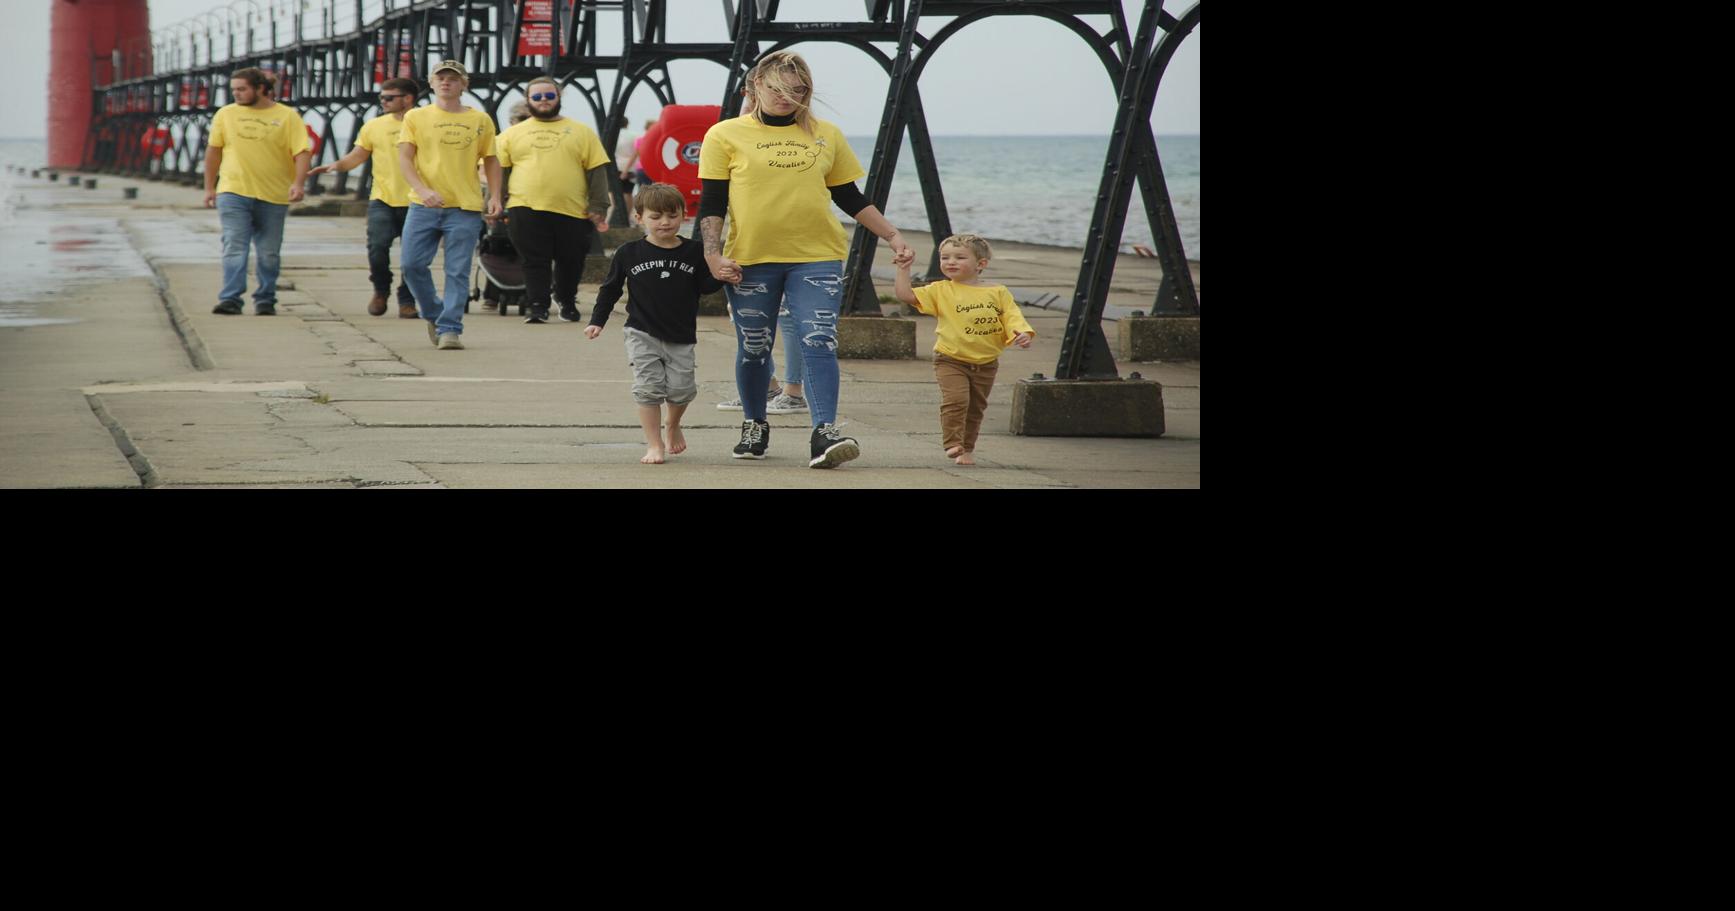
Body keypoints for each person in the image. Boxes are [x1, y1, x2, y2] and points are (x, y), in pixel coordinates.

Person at [697, 50, 915, 466]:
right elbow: (712, 201)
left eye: (797, 91)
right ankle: (755, 424)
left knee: (818, 338)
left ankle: (824, 432)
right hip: (751, 259)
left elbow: (848, 195)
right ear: (754, 87)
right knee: (755, 346)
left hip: (817, 256)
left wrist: (891, 234)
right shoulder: (724, 135)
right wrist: (712, 254)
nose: (787, 98)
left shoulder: (826, 134)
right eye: (777, 89)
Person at [584, 183, 724, 464]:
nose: (665, 222)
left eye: (672, 216)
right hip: (641, 331)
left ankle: (672, 425)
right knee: (648, 389)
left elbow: (705, 287)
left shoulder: (694, 251)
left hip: (681, 334)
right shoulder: (628, 253)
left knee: (682, 389)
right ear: (639, 218)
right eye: (656, 216)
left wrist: (723, 274)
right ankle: (654, 443)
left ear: (683, 216)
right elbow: (610, 289)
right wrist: (597, 321)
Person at [893, 233, 1035, 466]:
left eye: (959, 257)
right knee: (956, 400)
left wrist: (1022, 334)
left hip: (986, 363)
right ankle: (952, 442)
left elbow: (1012, 317)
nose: (950, 262)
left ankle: (966, 449)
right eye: (945, 257)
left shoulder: (998, 291)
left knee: (975, 409)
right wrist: (903, 269)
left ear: (981, 264)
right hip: (950, 359)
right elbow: (905, 295)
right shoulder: (941, 290)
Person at [397, 59, 503, 350]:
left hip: (465, 206)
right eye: (440, 78)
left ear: (463, 85)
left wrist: (495, 196)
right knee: (411, 264)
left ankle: (450, 329)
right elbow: (405, 158)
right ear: (431, 83)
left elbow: (491, 160)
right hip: (423, 205)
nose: (446, 82)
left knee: (457, 270)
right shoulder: (416, 117)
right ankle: (434, 314)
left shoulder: (480, 120)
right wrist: (421, 188)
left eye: (453, 79)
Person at [493, 75, 610, 324]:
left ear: (559, 97)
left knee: (572, 260)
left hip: (572, 209)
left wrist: (599, 205)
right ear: (528, 101)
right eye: (537, 96)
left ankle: (566, 300)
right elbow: (499, 172)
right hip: (523, 206)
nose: (543, 100)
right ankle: (538, 306)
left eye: (549, 95)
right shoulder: (511, 135)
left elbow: (597, 170)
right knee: (534, 260)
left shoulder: (582, 132)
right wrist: (493, 202)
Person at [307, 77, 419, 318]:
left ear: (408, 98)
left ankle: (407, 299)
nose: (383, 102)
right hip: (383, 199)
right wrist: (334, 166)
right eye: (382, 98)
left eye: (389, 98)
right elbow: (357, 156)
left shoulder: (425, 123)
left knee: (414, 256)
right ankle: (381, 290)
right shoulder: (374, 126)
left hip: (418, 201)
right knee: (377, 248)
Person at [204, 67, 310, 316]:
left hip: (273, 194)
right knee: (234, 245)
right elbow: (214, 151)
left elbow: (302, 152)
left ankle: (265, 297)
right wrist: (209, 187)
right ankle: (230, 298)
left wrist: (298, 183)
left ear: (260, 88)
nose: (236, 94)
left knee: (269, 252)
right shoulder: (225, 114)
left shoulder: (287, 116)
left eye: (242, 89)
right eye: (233, 90)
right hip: (233, 190)